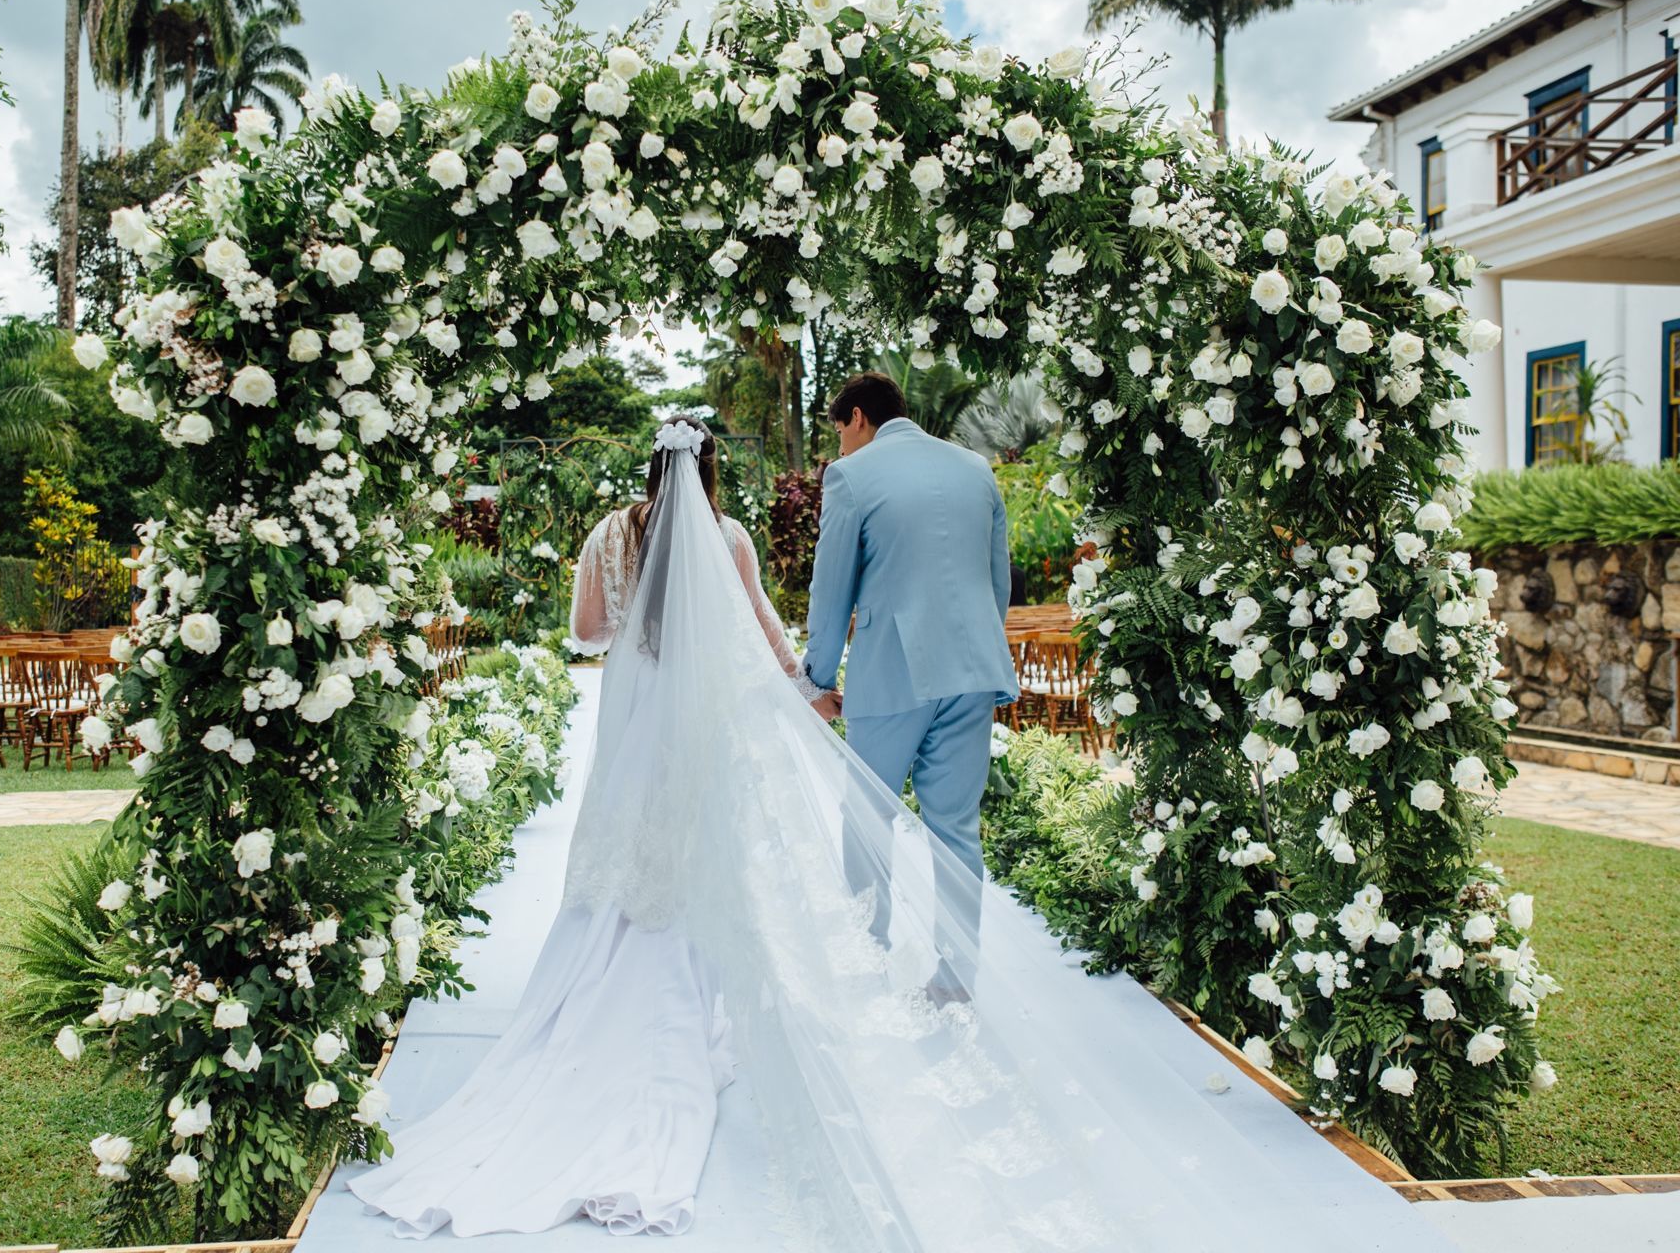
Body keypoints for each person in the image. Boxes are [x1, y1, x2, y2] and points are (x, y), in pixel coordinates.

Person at [348, 413, 1454, 1251]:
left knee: (621, 864)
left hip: (632, 722)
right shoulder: (728, 533)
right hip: (710, 730)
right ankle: (719, 1002)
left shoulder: (609, 532)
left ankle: (602, 996)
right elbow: (768, 641)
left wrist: (634, 626)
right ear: (708, 472)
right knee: (706, 862)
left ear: (647, 470)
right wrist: (804, 683)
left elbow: (586, 630)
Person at [801, 372, 1019, 1003]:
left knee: (869, 820)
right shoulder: (976, 469)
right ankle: (955, 982)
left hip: (892, 674)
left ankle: (869, 961)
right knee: (956, 830)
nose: (838, 448)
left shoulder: (851, 477)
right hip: (972, 671)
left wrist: (816, 678)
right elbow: (995, 580)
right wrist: (974, 646)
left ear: (859, 418)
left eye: (839, 432)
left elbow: (830, 589)